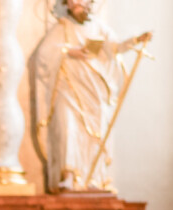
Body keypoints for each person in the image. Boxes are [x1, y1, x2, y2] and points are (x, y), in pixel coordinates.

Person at [28, 0, 151, 193]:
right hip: (68, 90)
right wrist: (68, 51)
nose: (76, 3)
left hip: (94, 92)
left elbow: (115, 47)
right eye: (72, 1)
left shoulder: (99, 28)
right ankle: (68, 176)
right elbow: (44, 54)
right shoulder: (63, 28)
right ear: (66, 4)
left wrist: (136, 40)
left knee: (94, 134)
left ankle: (92, 178)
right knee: (67, 128)